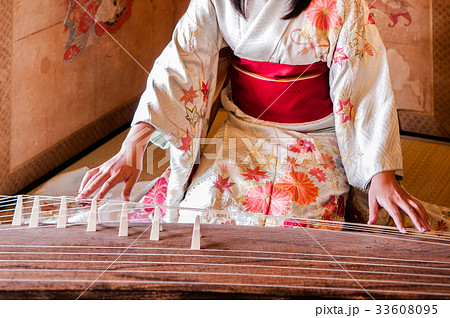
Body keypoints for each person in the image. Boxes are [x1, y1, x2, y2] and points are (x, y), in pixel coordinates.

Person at [76, 0, 430, 233]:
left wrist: (379, 173)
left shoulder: (342, 4)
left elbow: (364, 83)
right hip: (243, 129)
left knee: (291, 228)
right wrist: (132, 147)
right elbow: (179, 63)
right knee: (198, 214)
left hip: (316, 138)